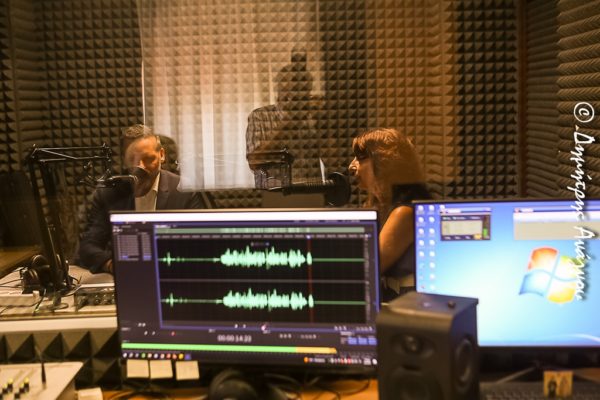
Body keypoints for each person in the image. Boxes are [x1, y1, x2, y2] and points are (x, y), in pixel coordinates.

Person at [79, 124, 205, 274]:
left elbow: (200, 243)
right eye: (133, 159)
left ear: (162, 155)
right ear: (124, 160)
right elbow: (88, 246)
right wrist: (113, 265)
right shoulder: (109, 193)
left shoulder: (184, 190)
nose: (140, 167)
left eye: (148, 158)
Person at [348, 128, 431, 302]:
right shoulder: (382, 206)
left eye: (361, 158)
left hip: (409, 307)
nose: (351, 166)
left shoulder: (404, 213)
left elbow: (369, 266)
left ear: (384, 163)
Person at [245, 51, 323, 189]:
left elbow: (334, 163)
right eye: (294, 89)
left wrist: (325, 122)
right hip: (274, 196)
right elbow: (254, 161)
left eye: (305, 90)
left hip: (313, 194)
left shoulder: (313, 118)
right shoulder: (260, 117)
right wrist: (288, 122)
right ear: (280, 91)